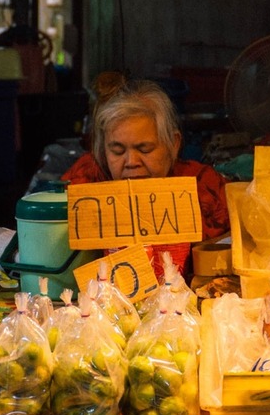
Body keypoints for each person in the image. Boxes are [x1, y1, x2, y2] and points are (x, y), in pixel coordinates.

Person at [62, 78, 228, 277]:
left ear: (173, 144)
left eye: (145, 149)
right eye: (117, 151)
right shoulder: (83, 183)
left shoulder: (204, 187)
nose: (131, 161)